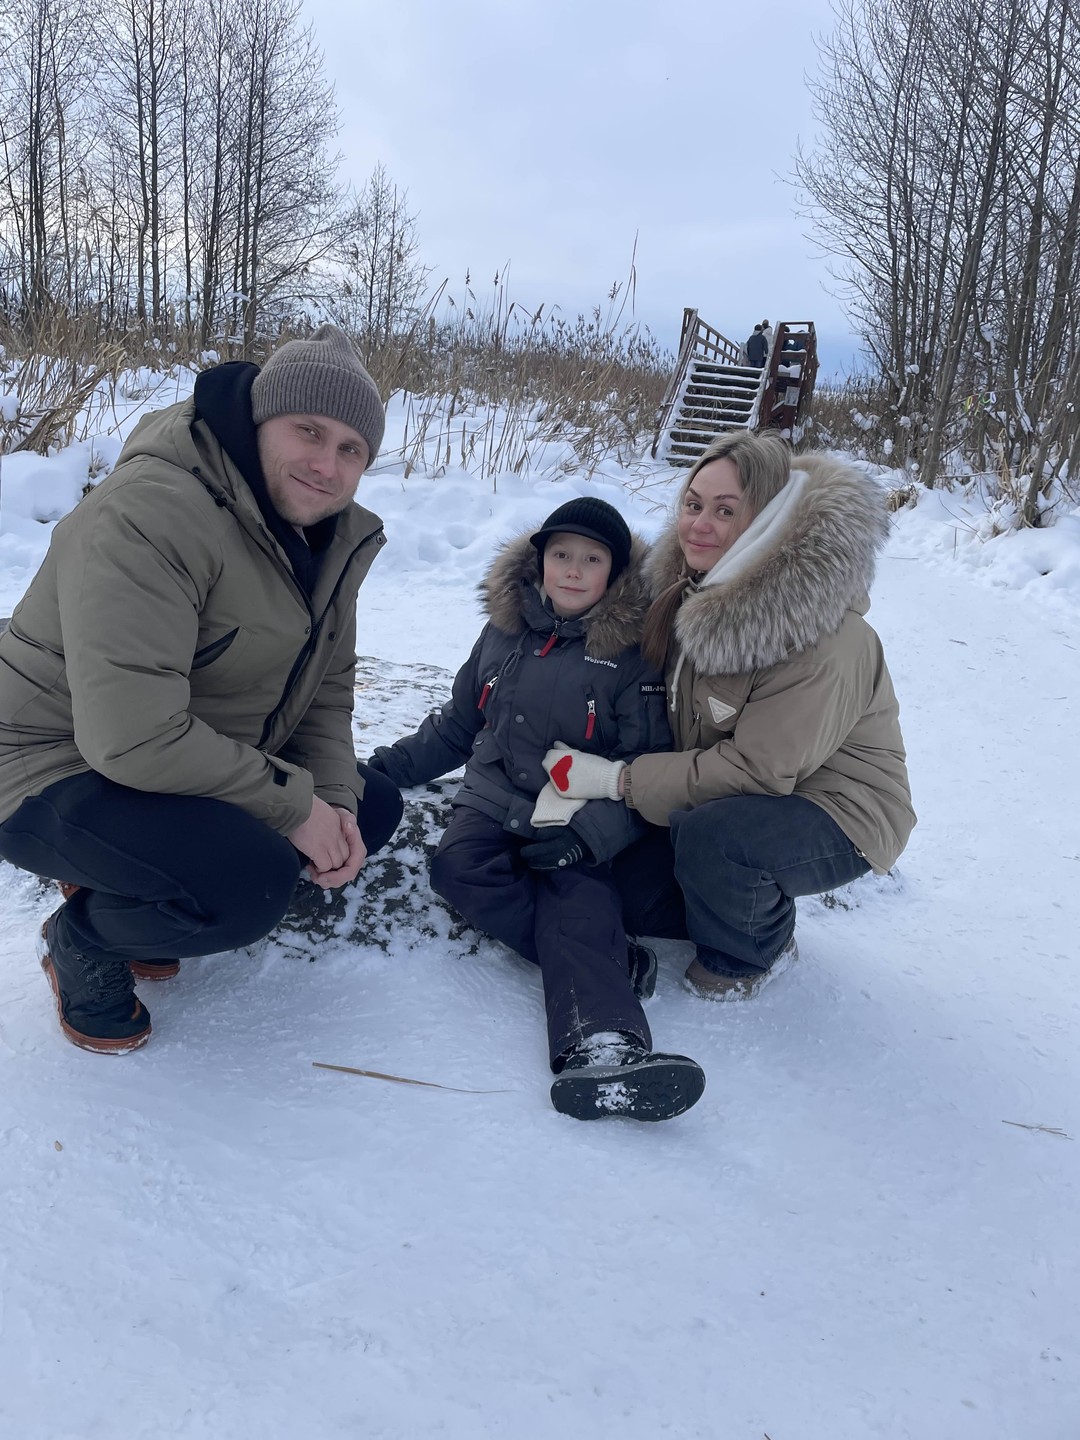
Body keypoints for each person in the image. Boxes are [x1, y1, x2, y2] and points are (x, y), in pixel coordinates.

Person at [0, 325, 404, 1054]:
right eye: (307, 430)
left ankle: (143, 883)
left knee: (369, 809)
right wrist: (288, 806)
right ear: (256, 422)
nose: (326, 464)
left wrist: (331, 803)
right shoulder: (152, 513)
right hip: (46, 761)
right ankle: (84, 939)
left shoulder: (329, 539)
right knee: (247, 884)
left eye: (351, 449)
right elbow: (131, 736)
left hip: (162, 756)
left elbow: (326, 692)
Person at [538, 431, 915, 1001]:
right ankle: (718, 896)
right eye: (693, 505)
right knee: (636, 884)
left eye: (724, 511)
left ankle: (753, 949)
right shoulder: (690, 589)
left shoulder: (824, 638)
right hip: (747, 785)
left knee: (715, 840)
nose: (699, 525)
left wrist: (618, 780)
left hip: (839, 811)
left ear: (767, 519)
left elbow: (757, 772)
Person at [367, 498, 706, 1122]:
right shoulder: (504, 630)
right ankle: (612, 962)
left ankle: (604, 1046)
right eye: (561, 555)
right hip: (494, 794)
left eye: (591, 559)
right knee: (457, 870)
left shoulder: (632, 656)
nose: (573, 570)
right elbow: (457, 724)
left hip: (575, 805)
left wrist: (593, 836)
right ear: (539, 561)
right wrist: (384, 769)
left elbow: (646, 766)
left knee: (579, 898)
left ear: (616, 571)